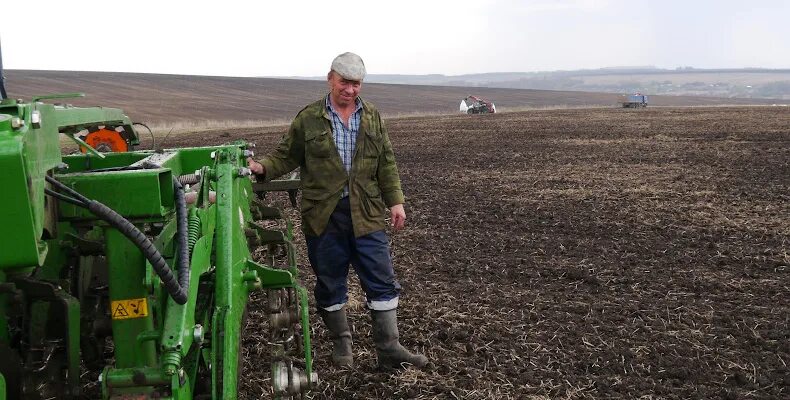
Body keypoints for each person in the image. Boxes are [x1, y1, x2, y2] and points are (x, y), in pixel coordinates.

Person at [247, 52, 428, 370]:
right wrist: (262, 167)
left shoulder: (372, 116)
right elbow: (286, 155)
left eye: (356, 83)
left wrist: (395, 202)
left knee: (381, 280)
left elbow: (386, 163)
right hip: (324, 215)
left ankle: (389, 348)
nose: (350, 89)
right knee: (330, 282)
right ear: (330, 78)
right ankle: (342, 346)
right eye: (344, 82)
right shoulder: (309, 118)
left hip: (366, 212)